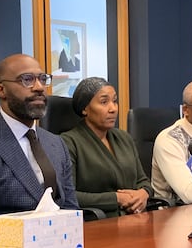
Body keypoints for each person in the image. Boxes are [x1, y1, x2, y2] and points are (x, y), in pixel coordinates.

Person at [0, 53, 79, 239]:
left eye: (43, 79)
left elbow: (71, 210)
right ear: (1, 90)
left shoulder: (55, 143)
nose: (39, 87)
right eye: (27, 80)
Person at [60, 77, 152, 217]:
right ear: (85, 108)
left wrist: (143, 193)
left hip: (135, 219)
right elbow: (68, 195)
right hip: (99, 222)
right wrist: (116, 198)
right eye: (104, 102)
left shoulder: (124, 138)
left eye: (114, 101)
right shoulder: (69, 142)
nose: (113, 108)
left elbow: (143, 180)